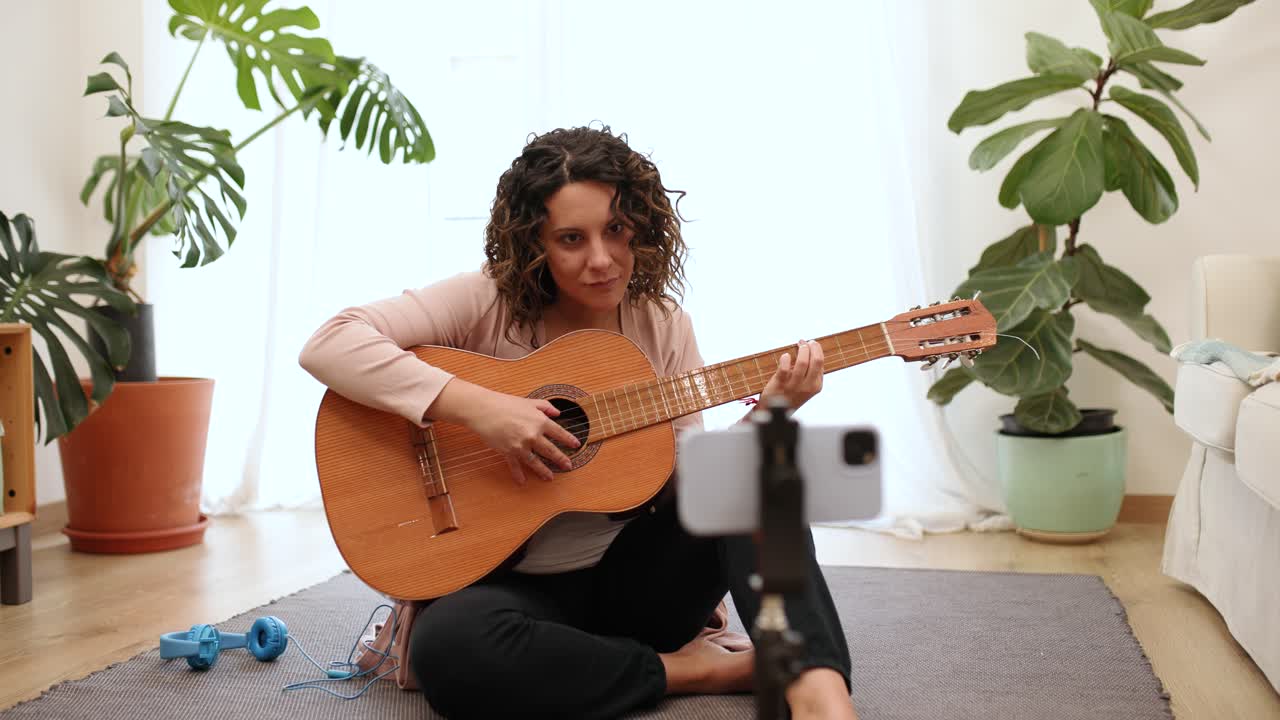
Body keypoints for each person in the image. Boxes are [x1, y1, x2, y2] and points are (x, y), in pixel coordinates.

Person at [299, 125, 857, 719]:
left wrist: (771, 412)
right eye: (571, 238)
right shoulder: (485, 301)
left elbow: (698, 480)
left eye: (615, 230)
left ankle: (816, 687)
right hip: (510, 586)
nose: (602, 259)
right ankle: (690, 670)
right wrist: (481, 407)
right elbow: (330, 343)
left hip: (638, 586)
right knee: (449, 650)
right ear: (532, 243)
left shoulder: (663, 324)